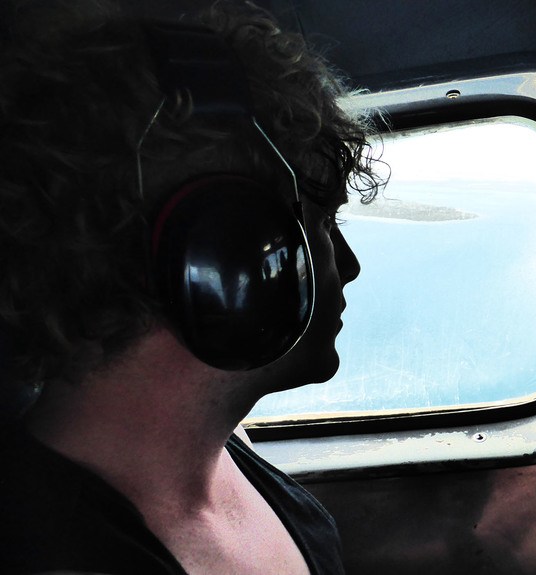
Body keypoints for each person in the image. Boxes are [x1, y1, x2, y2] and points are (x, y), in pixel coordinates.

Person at [0, 0, 380, 573]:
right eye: (323, 225)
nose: (347, 266)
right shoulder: (52, 552)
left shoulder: (225, 453)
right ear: (225, 255)